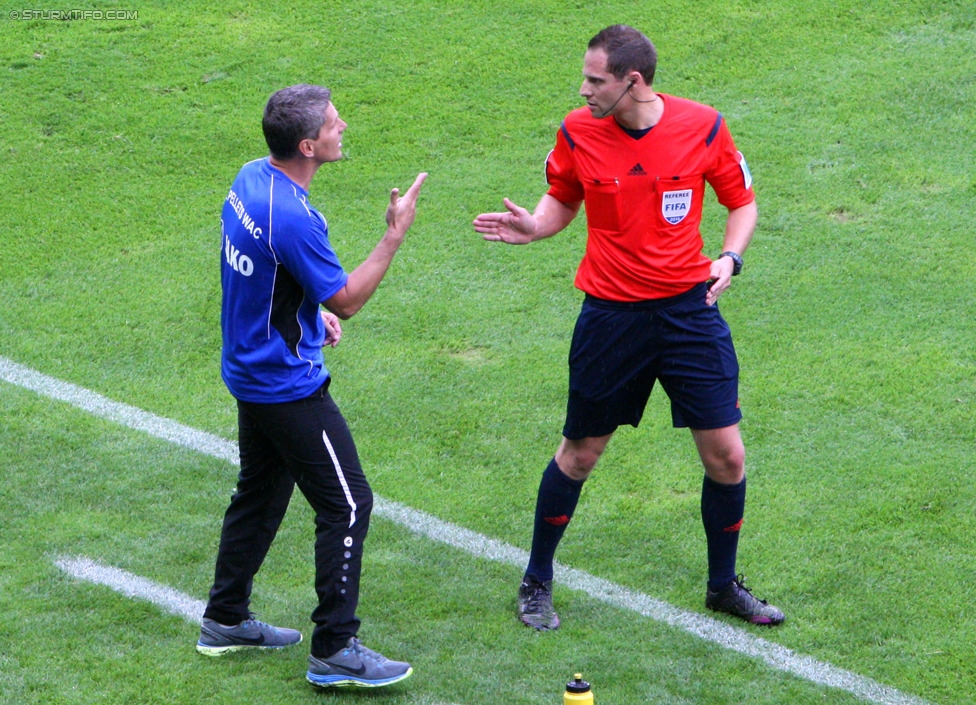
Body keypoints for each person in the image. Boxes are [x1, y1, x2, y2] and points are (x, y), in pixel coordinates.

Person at [473, 25, 784, 630]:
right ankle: (537, 579)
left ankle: (723, 586)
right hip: (611, 316)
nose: (584, 89)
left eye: (595, 80)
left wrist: (731, 258)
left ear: (632, 82)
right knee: (581, 452)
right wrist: (535, 226)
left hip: (689, 313)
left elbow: (740, 201)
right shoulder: (577, 130)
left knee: (726, 456)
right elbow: (562, 197)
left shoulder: (704, 126)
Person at [196, 83, 427, 689]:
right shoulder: (293, 216)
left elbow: (257, 268)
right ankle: (335, 648)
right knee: (349, 504)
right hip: (285, 383)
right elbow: (347, 301)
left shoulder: (251, 178)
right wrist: (394, 234)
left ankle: (224, 618)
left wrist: (303, 311)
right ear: (307, 144)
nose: (343, 125)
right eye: (332, 122)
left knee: (262, 493)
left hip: (249, 365)